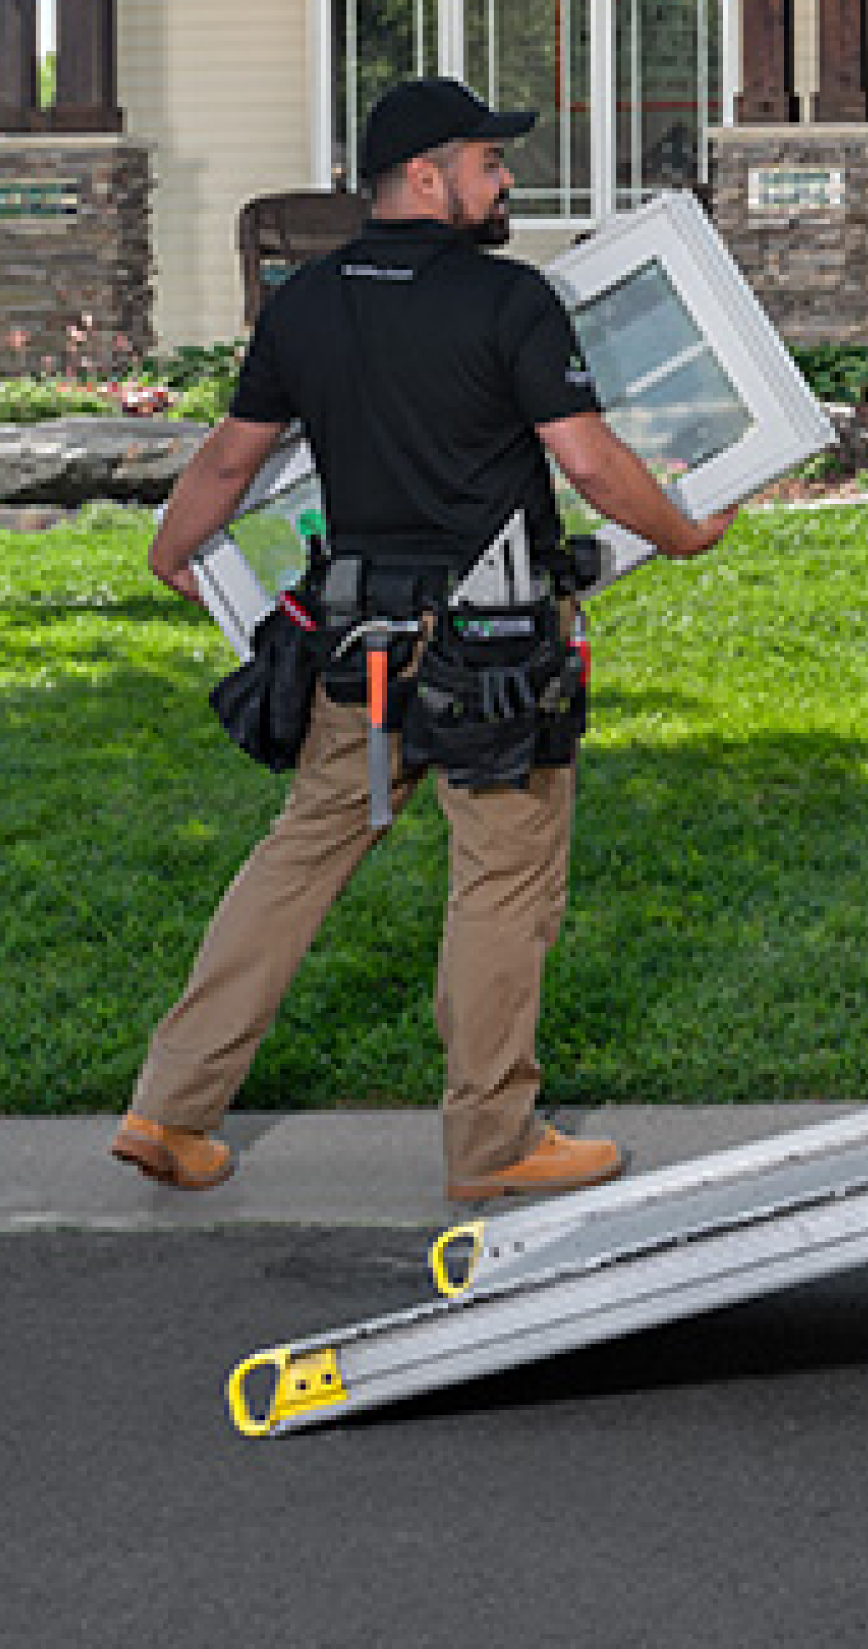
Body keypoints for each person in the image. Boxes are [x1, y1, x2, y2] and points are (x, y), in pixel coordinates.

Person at [113, 77, 737, 1203]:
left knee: (294, 864)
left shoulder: (304, 304)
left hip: (358, 648)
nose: (505, 180)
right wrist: (684, 533)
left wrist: (174, 551)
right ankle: (493, 1142)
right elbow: (589, 463)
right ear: (423, 177)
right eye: (488, 162)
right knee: (502, 882)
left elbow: (227, 462)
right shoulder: (509, 302)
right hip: (496, 655)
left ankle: (169, 1106)